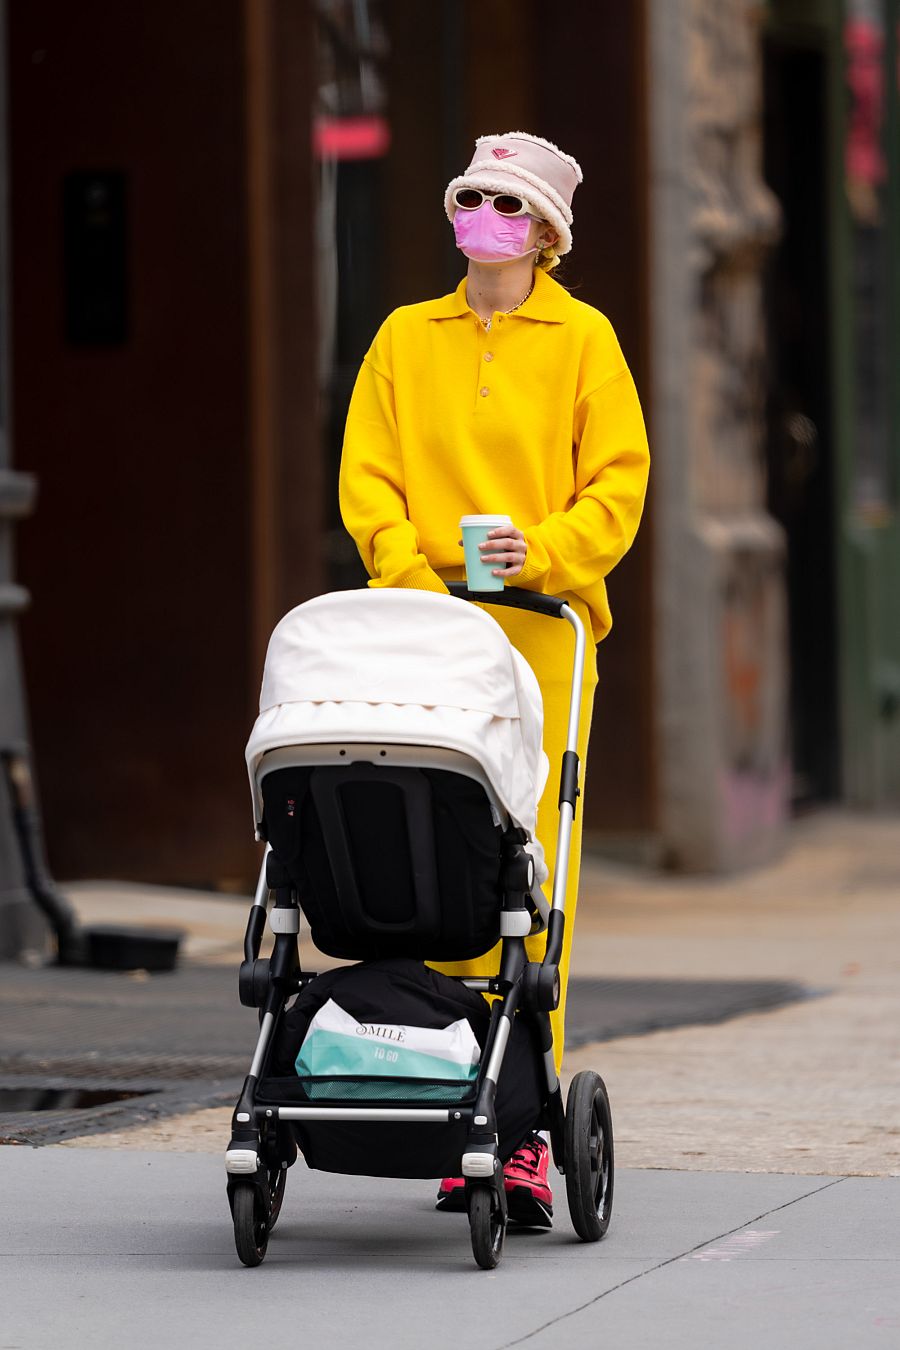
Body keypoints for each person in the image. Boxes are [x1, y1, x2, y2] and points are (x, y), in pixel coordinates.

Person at [339, 132, 649, 1226]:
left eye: (508, 203)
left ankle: (517, 1134)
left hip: (542, 641)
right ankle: (437, 1089)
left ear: (548, 232)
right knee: (427, 854)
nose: (484, 215)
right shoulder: (401, 337)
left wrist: (546, 552)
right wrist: (410, 573)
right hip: (421, 633)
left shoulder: (585, 341)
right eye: (471, 196)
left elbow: (619, 482)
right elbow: (366, 475)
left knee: (524, 877)